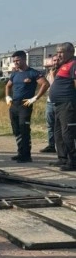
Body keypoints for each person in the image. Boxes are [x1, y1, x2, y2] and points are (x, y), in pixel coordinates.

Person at [4, 50, 49, 163]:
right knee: (16, 129)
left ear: (24, 59)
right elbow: (8, 86)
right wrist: (7, 97)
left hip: (25, 104)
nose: (16, 62)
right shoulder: (14, 73)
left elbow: (45, 84)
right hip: (14, 104)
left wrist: (35, 98)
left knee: (24, 129)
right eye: (14, 61)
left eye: (18, 60)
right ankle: (20, 152)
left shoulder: (32, 73)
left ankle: (26, 155)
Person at [49, 42, 76, 171]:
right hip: (58, 105)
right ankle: (62, 158)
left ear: (71, 52)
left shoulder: (73, 64)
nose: (58, 54)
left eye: (61, 52)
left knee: (67, 133)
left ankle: (73, 161)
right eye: (58, 52)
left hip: (68, 104)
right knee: (58, 133)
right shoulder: (63, 65)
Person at [41, 54, 60, 154]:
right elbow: (48, 87)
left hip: (60, 103)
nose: (56, 62)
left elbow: (55, 86)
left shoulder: (63, 72)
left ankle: (63, 147)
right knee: (50, 124)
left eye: (58, 60)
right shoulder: (50, 72)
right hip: (49, 102)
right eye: (54, 60)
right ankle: (51, 145)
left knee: (61, 126)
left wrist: (53, 75)